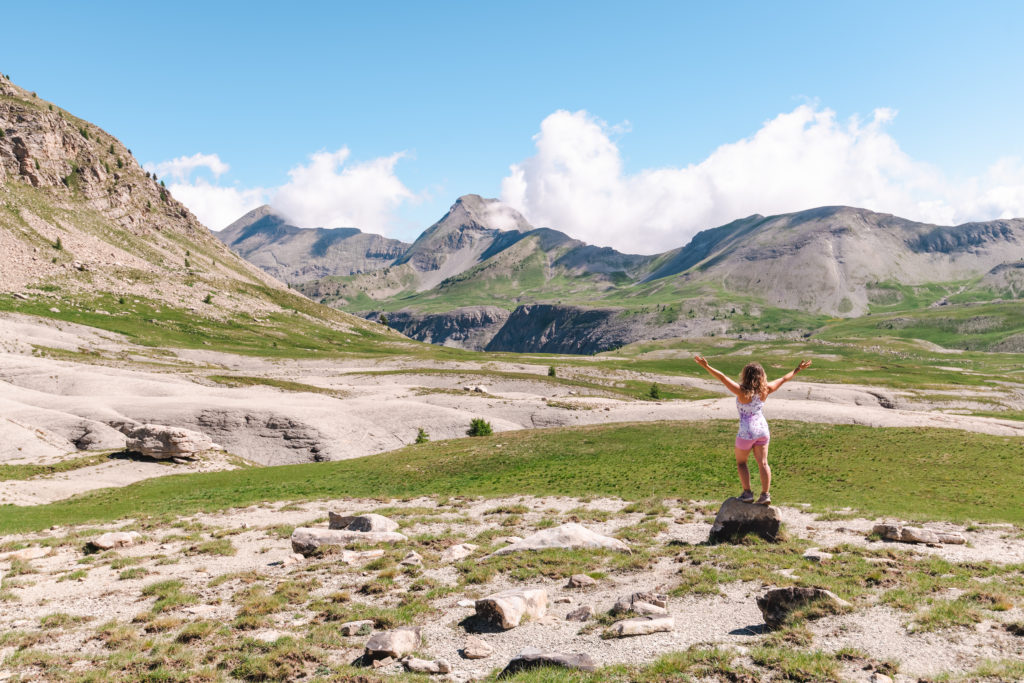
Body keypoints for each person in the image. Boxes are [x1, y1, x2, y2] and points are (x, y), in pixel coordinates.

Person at [693, 355, 812, 505]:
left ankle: (747, 493)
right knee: (763, 463)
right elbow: (783, 379)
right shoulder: (766, 390)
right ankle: (765, 495)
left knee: (741, 463)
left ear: (745, 375)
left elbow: (722, 378)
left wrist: (706, 366)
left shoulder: (741, 391)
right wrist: (797, 369)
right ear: (762, 376)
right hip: (762, 429)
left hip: (746, 431)